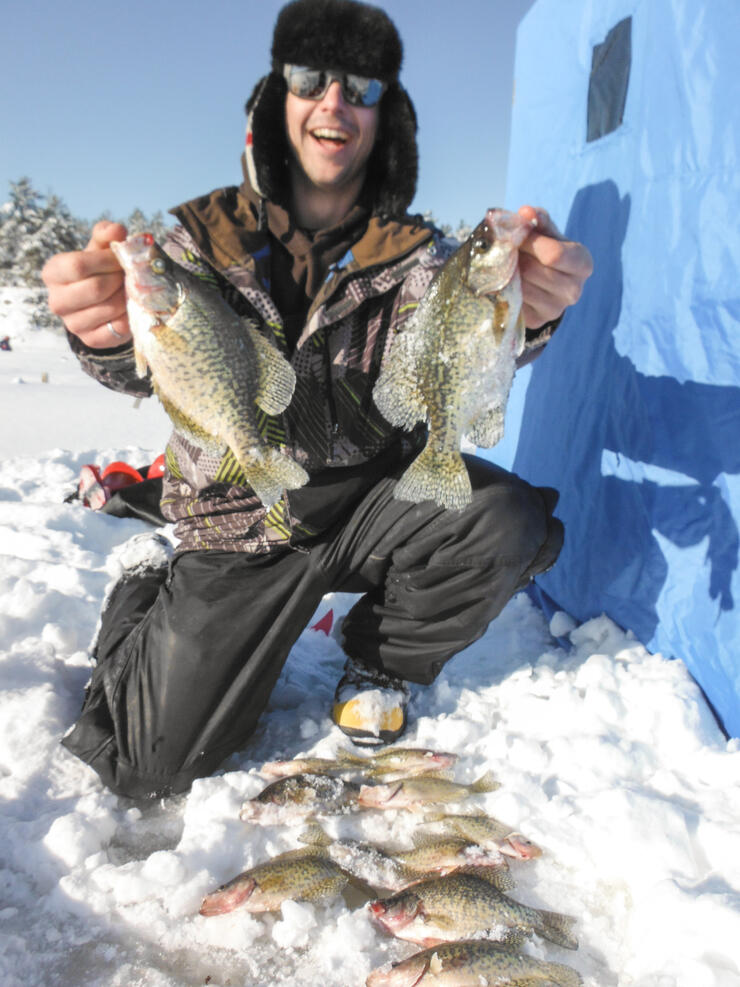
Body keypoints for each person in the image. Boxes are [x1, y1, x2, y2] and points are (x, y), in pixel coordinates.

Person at [42, 0, 593, 800]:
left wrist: (527, 314)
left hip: (368, 501)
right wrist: (104, 333)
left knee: (504, 518)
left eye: (360, 87)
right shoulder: (193, 248)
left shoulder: (423, 261)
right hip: (240, 517)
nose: (335, 101)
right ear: (279, 103)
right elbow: (143, 365)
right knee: (149, 765)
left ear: (383, 118)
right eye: (310, 78)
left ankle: (381, 659)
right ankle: (143, 585)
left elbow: (449, 340)